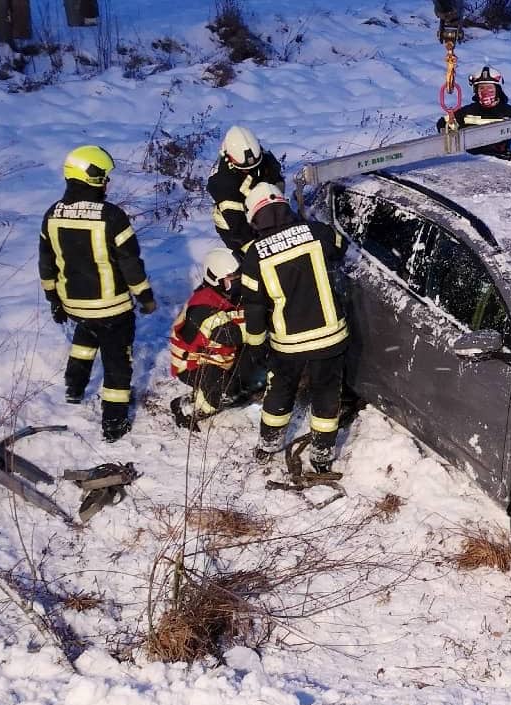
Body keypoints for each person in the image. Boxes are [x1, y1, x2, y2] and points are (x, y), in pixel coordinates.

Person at [39, 144, 155, 443]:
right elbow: (131, 263)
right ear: (89, 176)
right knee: (118, 363)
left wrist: (54, 300)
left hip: (75, 306)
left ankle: (73, 388)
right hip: (112, 308)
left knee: (85, 339)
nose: (107, 181)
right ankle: (114, 424)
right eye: (103, 175)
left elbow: (46, 264)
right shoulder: (112, 217)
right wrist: (144, 297)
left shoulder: (52, 214)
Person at [239, 182, 349, 474]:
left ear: (255, 217)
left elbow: (254, 306)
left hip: (287, 345)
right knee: (326, 394)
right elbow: (341, 246)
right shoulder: (315, 232)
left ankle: (268, 445)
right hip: (329, 337)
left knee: (280, 391)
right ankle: (322, 455)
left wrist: (255, 344)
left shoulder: (254, 256)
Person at [167, 248, 264, 429]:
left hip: (221, 358)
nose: (237, 282)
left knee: (252, 372)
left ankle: (240, 385)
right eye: (232, 279)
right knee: (227, 391)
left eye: (238, 277)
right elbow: (233, 333)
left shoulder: (228, 296)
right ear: (216, 279)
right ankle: (189, 407)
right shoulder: (202, 307)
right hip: (195, 365)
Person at [206, 125, 286, 259]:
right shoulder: (223, 184)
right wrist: (256, 252)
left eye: (255, 166)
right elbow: (238, 227)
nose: (250, 170)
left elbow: (276, 178)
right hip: (233, 225)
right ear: (231, 160)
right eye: (245, 170)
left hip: (259, 210)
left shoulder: (262, 156)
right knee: (249, 258)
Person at [436, 65, 511, 157]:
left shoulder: (509, 112)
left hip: (498, 160)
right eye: (481, 88)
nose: (485, 92)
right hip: (468, 160)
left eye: (489, 88)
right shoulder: (468, 111)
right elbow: (443, 123)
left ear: (498, 90)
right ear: (476, 90)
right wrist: (451, 133)